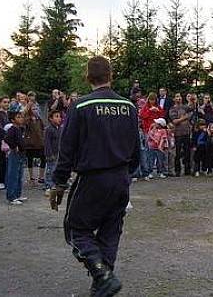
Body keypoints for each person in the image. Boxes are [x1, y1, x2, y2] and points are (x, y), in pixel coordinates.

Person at [52, 56, 139, 296]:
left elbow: (67, 148)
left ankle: (101, 275)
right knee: (111, 230)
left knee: (76, 229)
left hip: (93, 178)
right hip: (121, 177)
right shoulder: (129, 106)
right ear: (111, 76)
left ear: (88, 77)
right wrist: (126, 173)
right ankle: (102, 284)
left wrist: (59, 182)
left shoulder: (80, 106)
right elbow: (136, 149)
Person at [4, 111, 27, 205]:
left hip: (21, 154)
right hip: (15, 154)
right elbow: (7, 139)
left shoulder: (20, 129)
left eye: (21, 117)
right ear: (13, 120)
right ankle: (11, 196)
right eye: (18, 117)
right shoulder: (12, 129)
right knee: (13, 175)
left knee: (19, 175)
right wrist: (14, 146)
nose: (21, 118)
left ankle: (17, 194)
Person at [22, 98, 46, 184]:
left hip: (40, 142)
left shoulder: (39, 119)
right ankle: (31, 177)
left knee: (43, 158)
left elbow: (43, 129)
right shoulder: (27, 119)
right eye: (33, 109)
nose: (35, 110)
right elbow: (22, 118)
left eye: (36, 108)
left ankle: (41, 177)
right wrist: (27, 107)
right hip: (30, 143)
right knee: (30, 159)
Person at [168, 93, 192, 176]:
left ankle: (187, 170)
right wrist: (184, 118)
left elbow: (192, 109)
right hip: (177, 133)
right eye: (177, 97)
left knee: (187, 152)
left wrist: (191, 100)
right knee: (177, 153)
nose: (178, 98)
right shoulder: (172, 109)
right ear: (174, 99)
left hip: (187, 132)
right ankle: (177, 170)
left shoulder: (185, 107)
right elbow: (174, 121)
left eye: (180, 96)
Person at [43, 110, 62, 195]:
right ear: (51, 118)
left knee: (56, 169)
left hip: (58, 153)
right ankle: (48, 186)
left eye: (60, 116)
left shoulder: (60, 129)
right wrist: (49, 154)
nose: (59, 118)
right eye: (56, 116)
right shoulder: (49, 129)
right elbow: (47, 143)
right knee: (50, 170)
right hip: (52, 153)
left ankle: (55, 184)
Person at [0, 97, 10, 190]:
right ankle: (0, 181)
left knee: (7, 161)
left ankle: (5, 179)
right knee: (1, 160)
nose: (7, 104)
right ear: (0, 103)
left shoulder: (8, 114)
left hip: (8, 140)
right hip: (0, 139)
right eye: (5, 102)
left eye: (8, 102)